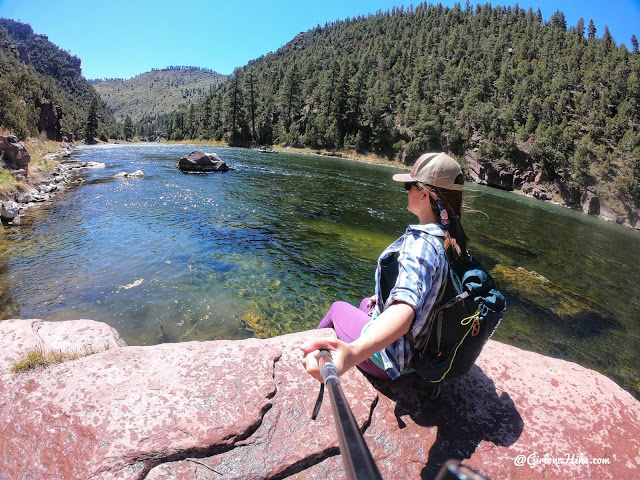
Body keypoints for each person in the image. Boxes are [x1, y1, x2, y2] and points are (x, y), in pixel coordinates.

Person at [301, 152, 469, 382]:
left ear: (424, 194)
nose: (406, 191)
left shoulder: (420, 244)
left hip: (393, 361)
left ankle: (307, 348)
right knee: (364, 304)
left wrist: (350, 355)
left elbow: (405, 311)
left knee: (337, 308)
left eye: (409, 185)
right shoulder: (450, 239)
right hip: (423, 351)